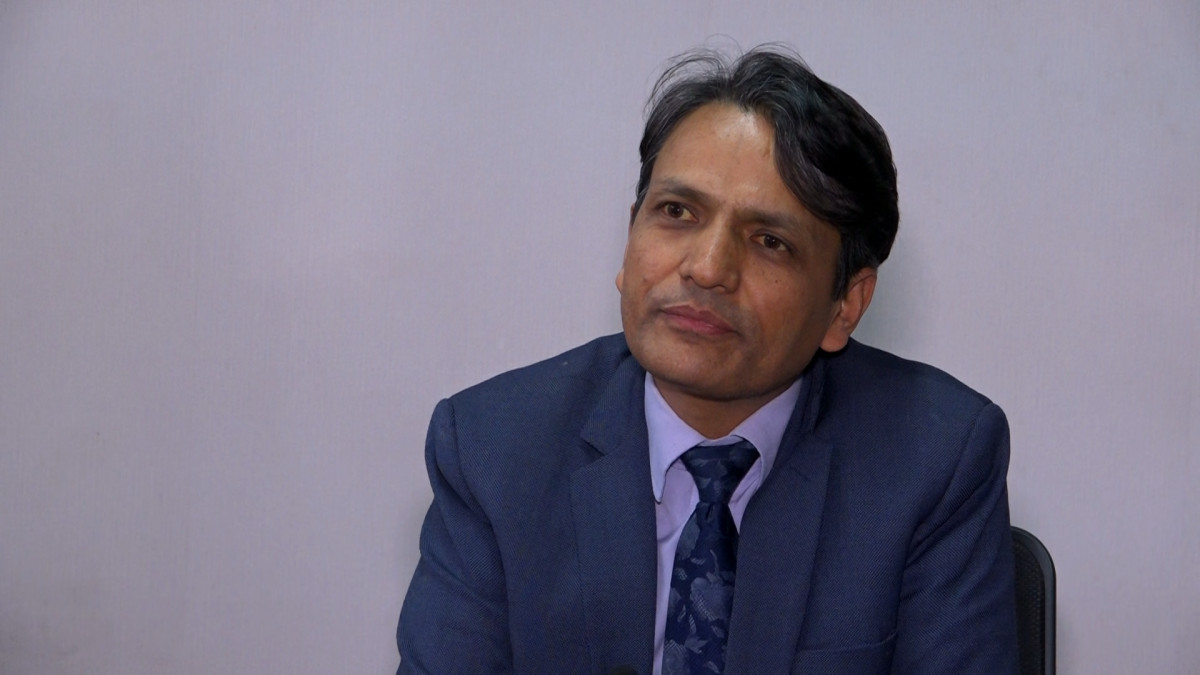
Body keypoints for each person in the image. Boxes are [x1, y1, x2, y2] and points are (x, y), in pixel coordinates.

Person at [397, 46, 1018, 674]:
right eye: (676, 213)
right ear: (630, 237)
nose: (707, 268)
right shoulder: (493, 450)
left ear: (844, 306)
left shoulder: (934, 460)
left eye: (769, 241)